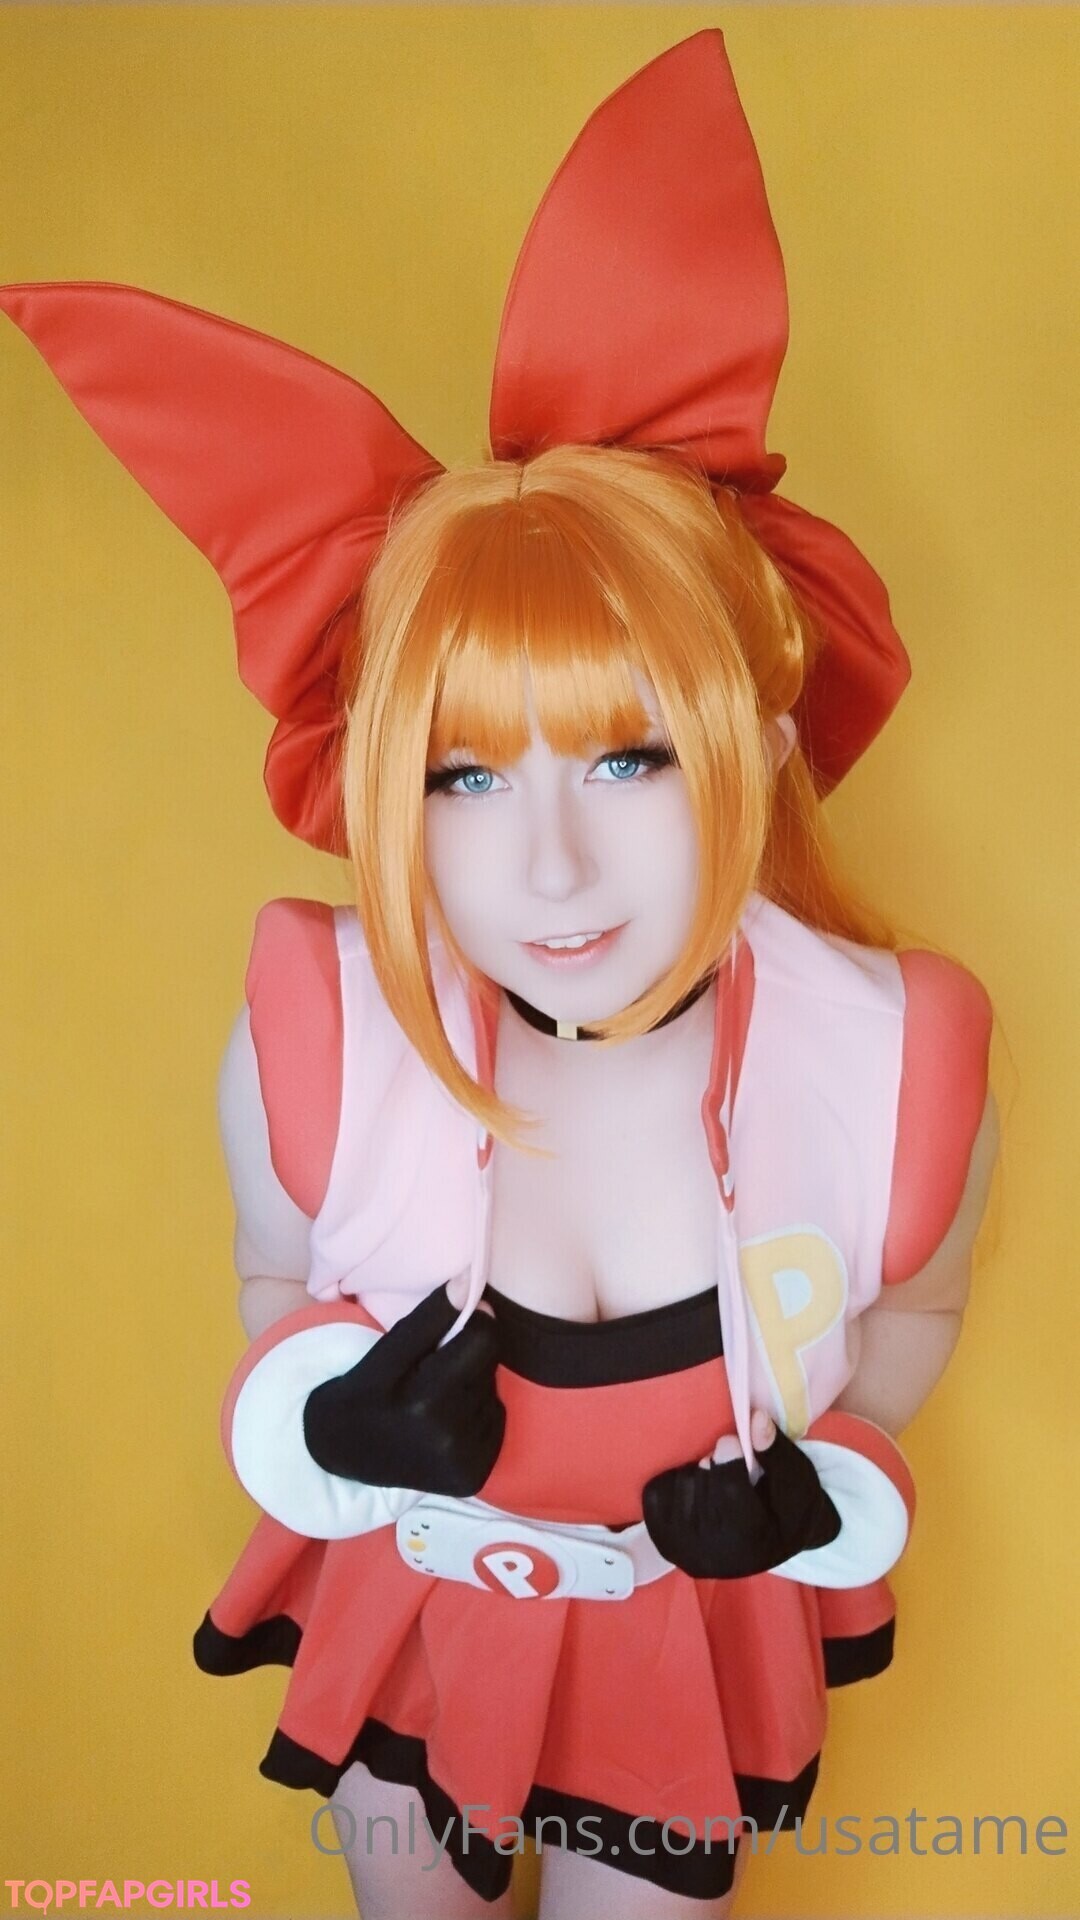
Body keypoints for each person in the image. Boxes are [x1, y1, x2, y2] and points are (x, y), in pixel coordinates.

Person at [0, 31, 997, 1920]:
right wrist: (330, 1413)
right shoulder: (321, 1037)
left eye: (628, 758)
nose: (548, 868)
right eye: (463, 775)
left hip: (683, 1651)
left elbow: (919, 1303)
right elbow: (277, 1276)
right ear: (380, 790)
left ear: (759, 742)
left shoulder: (890, 1064)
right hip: (417, 1616)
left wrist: (818, 1461)